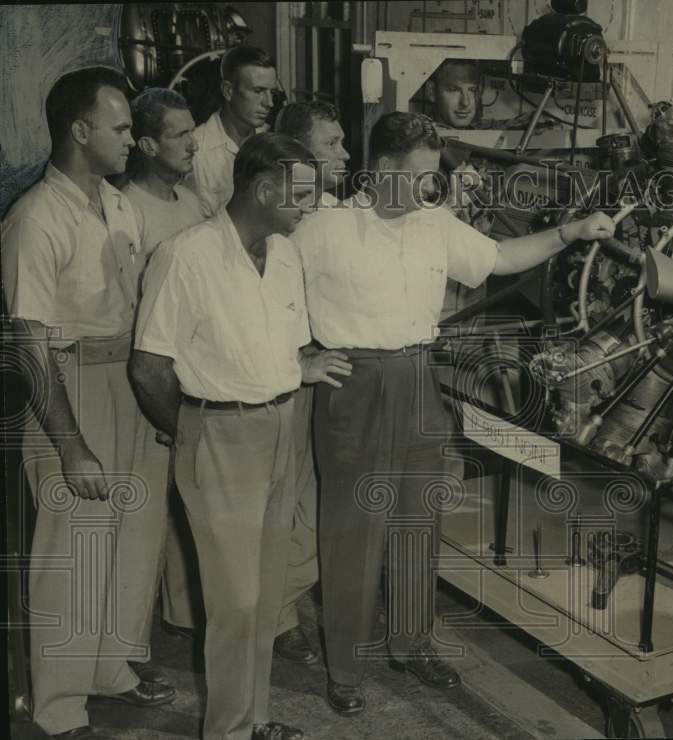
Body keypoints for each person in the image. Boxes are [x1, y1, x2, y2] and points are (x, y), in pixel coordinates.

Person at [294, 111, 615, 716]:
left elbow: (498, 257)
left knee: (419, 520)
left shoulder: (433, 221)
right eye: (419, 176)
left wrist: (570, 233)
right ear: (383, 169)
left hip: (420, 374)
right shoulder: (323, 227)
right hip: (354, 382)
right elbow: (272, 287)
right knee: (353, 531)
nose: (428, 188)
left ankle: (411, 643)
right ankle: (347, 666)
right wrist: (300, 355)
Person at [128, 133, 351, 740]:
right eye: (302, 193)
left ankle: (254, 719)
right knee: (235, 603)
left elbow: (282, 344)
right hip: (218, 435)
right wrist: (197, 431)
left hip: (282, 424)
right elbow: (149, 368)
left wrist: (298, 370)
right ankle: (226, 732)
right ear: (263, 188)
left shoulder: (284, 255)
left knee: (265, 594)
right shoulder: (185, 255)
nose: (311, 203)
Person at [1, 66, 176, 740]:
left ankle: (110, 667)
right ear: (81, 130)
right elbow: (29, 345)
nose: (133, 139)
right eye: (123, 127)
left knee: (134, 536)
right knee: (72, 546)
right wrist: (69, 443)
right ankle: (60, 705)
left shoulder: (118, 202)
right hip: (69, 387)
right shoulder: (34, 220)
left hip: (127, 378)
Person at [122, 87, 207, 645]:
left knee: (189, 509)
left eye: (192, 130)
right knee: (146, 517)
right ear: (148, 144)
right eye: (179, 134)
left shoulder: (196, 203)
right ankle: (133, 636)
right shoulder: (127, 208)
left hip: (198, 372)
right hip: (153, 374)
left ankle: (184, 618)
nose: (192, 143)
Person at [268, 100, 351, 665]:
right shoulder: (288, 224)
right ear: (299, 154)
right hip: (289, 374)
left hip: (328, 372)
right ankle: (276, 618)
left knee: (318, 495)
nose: (345, 154)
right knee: (289, 497)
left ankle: (295, 601)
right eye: (332, 145)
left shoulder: (333, 211)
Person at [190, 46, 278, 218]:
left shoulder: (272, 144)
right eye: (258, 91)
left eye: (272, 92)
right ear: (228, 91)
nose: (269, 103)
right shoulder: (195, 149)